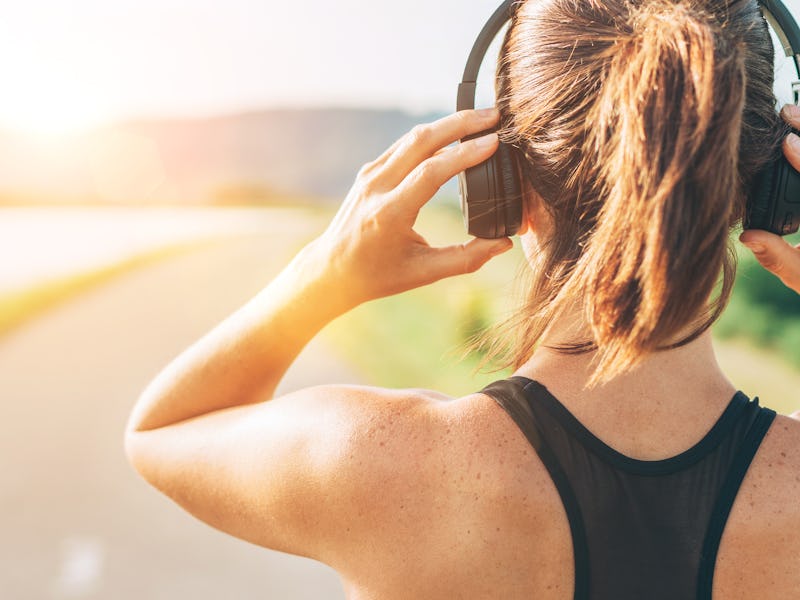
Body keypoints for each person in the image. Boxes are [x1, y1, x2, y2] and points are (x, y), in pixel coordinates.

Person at [125, 0, 800, 598]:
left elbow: (161, 432)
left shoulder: (378, 462)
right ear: (765, 185)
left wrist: (323, 273)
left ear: (501, 183)